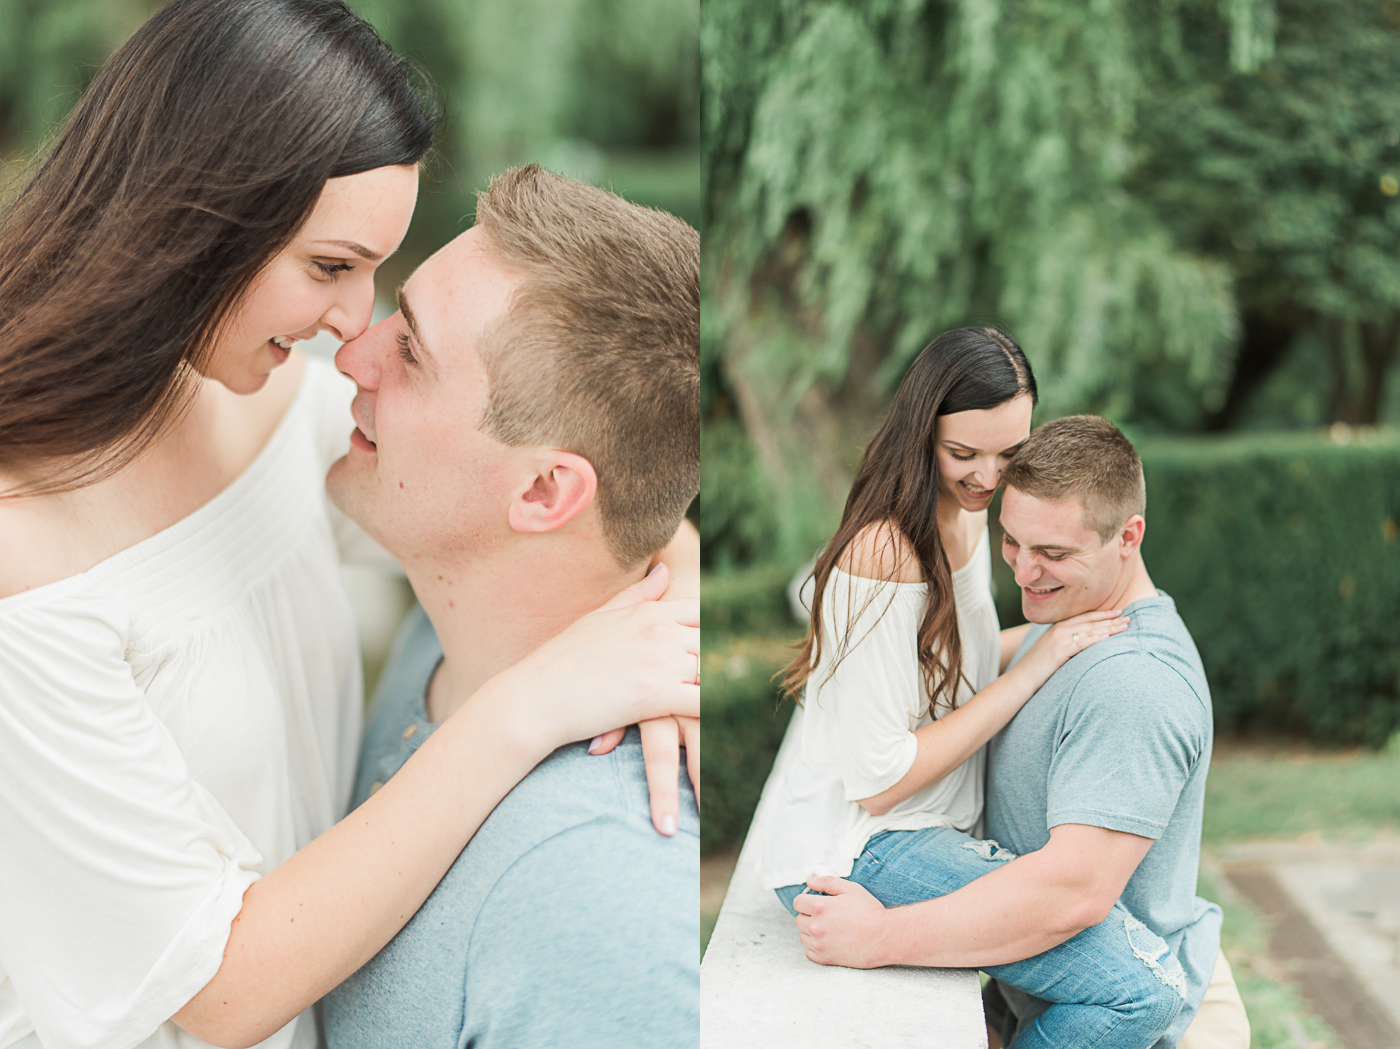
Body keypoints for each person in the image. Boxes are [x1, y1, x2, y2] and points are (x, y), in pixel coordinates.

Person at [0, 4, 697, 1049]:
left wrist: (665, 588)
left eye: (376, 272)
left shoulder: (263, 395)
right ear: (191, 230)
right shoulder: (26, 557)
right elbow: (218, 989)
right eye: (330, 267)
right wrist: (525, 705)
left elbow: (541, 488)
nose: (354, 327)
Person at [319, 164, 699, 1048]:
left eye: (410, 351)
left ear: (541, 492)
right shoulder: (445, 622)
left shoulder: (600, 894)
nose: (350, 356)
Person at [760, 330, 1188, 1047]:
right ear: (921, 434)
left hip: (926, 833)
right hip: (865, 844)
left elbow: (953, 659)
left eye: (1008, 455)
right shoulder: (884, 550)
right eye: (964, 454)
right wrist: (1035, 668)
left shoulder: (968, 514)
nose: (988, 477)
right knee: (1144, 993)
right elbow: (878, 777)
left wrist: (1070, 634)